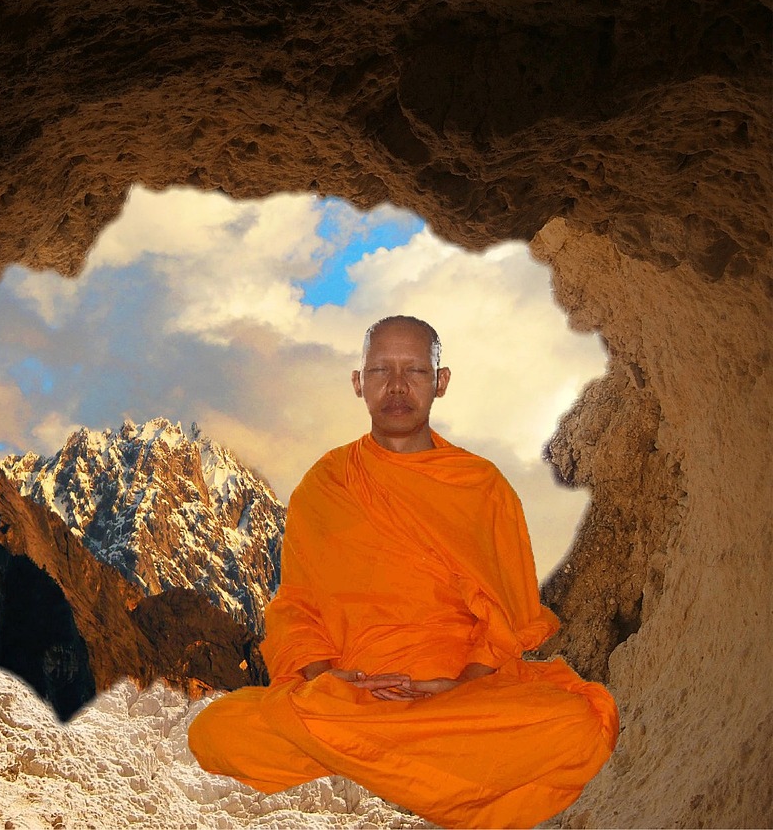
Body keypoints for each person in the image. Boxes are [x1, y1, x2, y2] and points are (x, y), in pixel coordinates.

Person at [188, 315, 618, 829]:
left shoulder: (480, 486)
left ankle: (367, 756)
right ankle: (428, 770)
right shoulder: (326, 484)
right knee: (214, 731)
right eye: (380, 371)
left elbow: (508, 620)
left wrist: (460, 684)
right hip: (350, 695)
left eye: (414, 371)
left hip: (456, 696)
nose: (396, 387)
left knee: (579, 724)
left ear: (441, 382)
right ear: (358, 382)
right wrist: (328, 679)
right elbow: (295, 607)